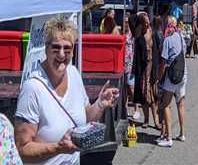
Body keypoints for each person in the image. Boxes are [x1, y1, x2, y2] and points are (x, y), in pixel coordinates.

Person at [14, 17, 119, 165]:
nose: (62, 54)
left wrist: (100, 104)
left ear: (73, 50)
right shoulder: (33, 88)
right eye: (56, 48)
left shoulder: (73, 73)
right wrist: (58, 148)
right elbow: (23, 150)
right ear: (46, 48)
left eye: (67, 49)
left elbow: (85, 118)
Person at [156, 16, 187, 147]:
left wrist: (159, 78)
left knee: (166, 105)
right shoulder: (181, 37)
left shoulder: (167, 40)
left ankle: (168, 138)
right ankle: (182, 133)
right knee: (181, 104)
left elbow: (163, 62)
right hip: (183, 73)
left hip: (171, 76)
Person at [132, 13, 161, 129]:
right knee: (144, 97)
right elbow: (131, 19)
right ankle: (146, 120)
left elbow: (159, 50)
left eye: (148, 21)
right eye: (144, 22)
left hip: (152, 68)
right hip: (143, 70)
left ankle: (156, 121)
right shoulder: (138, 37)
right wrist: (139, 15)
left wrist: (159, 68)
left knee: (153, 97)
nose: (147, 23)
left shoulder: (153, 34)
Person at [124, 14, 140, 120]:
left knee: (132, 89)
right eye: (124, 21)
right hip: (122, 64)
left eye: (127, 21)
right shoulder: (121, 33)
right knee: (124, 89)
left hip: (130, 64)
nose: (125, 23)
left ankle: (137, 109)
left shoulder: (132, 34)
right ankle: (124, 110)